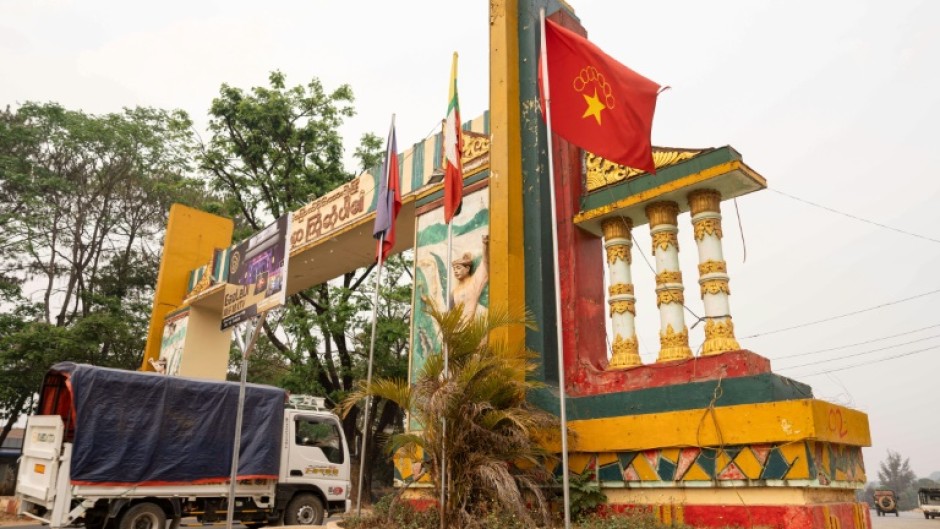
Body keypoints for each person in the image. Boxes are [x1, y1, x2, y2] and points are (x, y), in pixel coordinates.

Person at [450, 235, 488, 322]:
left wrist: (485, 245)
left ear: (467, 269)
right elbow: (451, 315)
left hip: (471, 327)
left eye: (458, 268)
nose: (455, 271)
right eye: (454, 269)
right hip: (457, 329)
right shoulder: (455, 291)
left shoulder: (474, 282)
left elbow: (485, 263)